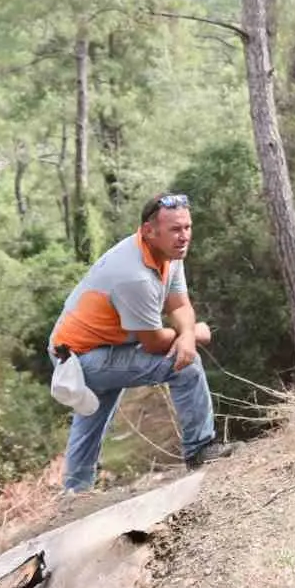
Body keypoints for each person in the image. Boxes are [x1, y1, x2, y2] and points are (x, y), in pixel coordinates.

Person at [49, 193, 234, 492]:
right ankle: (200, 450)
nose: (184, 236)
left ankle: (74, 494)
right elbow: (153, 344)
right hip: (78, 358)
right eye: (176, 229)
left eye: (187, 227)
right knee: (184, 365)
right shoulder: (134, 276)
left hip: (92, 347)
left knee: (92, 417)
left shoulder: (169, 254)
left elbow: (179, 306)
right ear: (149, 231)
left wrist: (187, 333)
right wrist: (194, 336)